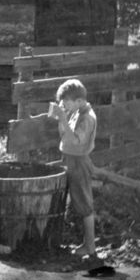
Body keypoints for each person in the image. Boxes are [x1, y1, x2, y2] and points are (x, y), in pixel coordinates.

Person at [49, 79, 98, 259]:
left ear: (78, 101)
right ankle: (86, 244)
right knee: (76, 201)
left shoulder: (87, 117)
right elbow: (65, 136)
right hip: (70, 159)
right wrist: (62, 118)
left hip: (79, 162)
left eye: (66, 102)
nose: (63, 105)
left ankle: (90, 247)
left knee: (84, 204)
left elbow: (77, 140)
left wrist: (63, 118)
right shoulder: (76, 112)